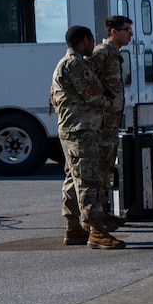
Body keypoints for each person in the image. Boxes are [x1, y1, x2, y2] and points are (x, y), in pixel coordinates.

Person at [51, 25, 125, 250]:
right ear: (84, 41)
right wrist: (113, 105)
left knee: (74, 180)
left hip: (73, 129)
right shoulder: (75, 64)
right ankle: (96, 231)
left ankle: (73, 228)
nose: (93, 45)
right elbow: (93, 95)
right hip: (81, 130)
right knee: (88, 180)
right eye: (91, 41)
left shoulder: (65, 64)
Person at [81, 13, 134, 237]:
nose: (130, 34)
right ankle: (94, 221)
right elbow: (85, 80)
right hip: (101, 124)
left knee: (106, 170)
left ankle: (104, 213)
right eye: (126, 30)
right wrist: (102, 102)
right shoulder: (101, 54)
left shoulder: (114, 55)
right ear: (114, 32)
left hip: (110, 124)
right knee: (99, 171)